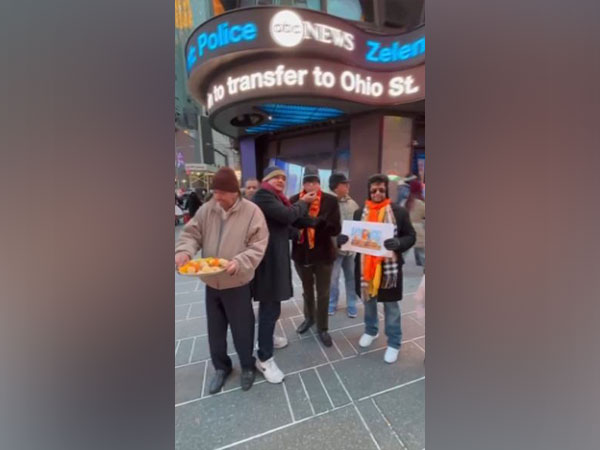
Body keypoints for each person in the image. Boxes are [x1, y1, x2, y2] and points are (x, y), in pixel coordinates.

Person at [174, 167, 269, 394]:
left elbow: (258, 245)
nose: (217, 197)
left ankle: (247, 366)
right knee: (215, 330)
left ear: (234, 192)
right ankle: (221, 368)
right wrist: (184, 251)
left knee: (242, 329)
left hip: (236, 282)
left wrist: (240, 261)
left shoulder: (252, 212)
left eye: (222, 193)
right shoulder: (208, 210)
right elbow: (191, 234)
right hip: (211, 283)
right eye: (215, 192)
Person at [340, 174, 416, 363]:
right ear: (369, 191)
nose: (377, 193)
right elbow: (353, 238)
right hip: (366, 268)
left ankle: (394, 342)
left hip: (388, 269)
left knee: (391, 306)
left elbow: (411, 236)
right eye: (374, 190)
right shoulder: (359, 213)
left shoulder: (398, 212)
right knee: (369, 302)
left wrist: (398, 242)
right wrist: (343, 240)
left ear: (386, 190)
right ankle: (371, 330)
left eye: (381, 189)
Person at [251, 166, 316, 383]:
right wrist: (304, 202)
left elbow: (279, 224)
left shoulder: (276, 197)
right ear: (267, 180)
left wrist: (296, 232)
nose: (280, 180)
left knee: (272, 304)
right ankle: (264, 358)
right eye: (276, 177)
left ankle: (266, 339)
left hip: (275, 259)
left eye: (283, 178)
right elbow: (286, 215)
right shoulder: (263, 195)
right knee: (271, 306)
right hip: (268, 262)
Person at [290, 166, 341, 347]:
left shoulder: (331, 201)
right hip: (301, 254)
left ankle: (323, 327)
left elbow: (336, 229)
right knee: (307, 291)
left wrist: (319, 223)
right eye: (308, 181)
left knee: (324, 292)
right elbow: (290, 225)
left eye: (314, 182)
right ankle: (309, 318)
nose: (311, 185)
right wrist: (304, 215)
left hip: (324, 255)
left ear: (319, 184)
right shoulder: (294, 200)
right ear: (303, 184)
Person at [328, 172, 360, 318]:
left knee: (351, 277)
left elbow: (359, 224)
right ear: (335, 187)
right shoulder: (327, 203)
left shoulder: (352, 203)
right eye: (344, 184)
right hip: (334, 250)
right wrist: (335, 240)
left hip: (351, 249)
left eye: (348, 183)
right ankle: (332, 302)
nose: (348, 186)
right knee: (333, 279)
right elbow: (323, 227)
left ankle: (352, 303)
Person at [405, 178, 425, 267]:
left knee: (403, 252)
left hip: (407, 229)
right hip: (418, 230)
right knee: (422, 253)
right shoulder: (420, 203)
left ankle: (397, 268)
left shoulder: (406, 202)